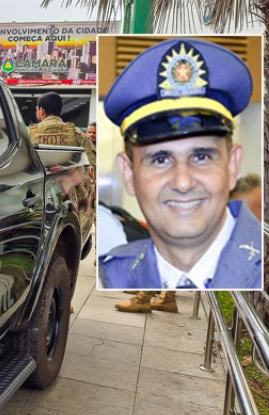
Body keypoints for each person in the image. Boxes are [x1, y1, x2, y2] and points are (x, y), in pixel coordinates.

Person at [99, 38, 262, 290]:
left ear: (232, 166)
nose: (183, 182)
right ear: (128, 173)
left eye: (201, 156)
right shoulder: (110, 275)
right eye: (161, 159)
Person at [28, 91, 96, 168]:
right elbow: (92, 162)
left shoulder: (30, 133)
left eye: (37, 109)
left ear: (42, 111)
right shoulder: (76, 133)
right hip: (70, 175)